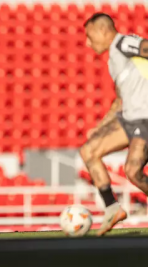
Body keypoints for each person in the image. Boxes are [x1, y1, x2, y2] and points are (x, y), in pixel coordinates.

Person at [81, 13, 148, 236]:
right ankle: (113, 209)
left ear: (102, 30)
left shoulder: (124, 42)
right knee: (89, 150)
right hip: (129, 119)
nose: (87, 42)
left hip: (145, 118)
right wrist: (100, 127)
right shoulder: (113, 61)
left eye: (89, 36)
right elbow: (119, 101)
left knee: (132, 171)